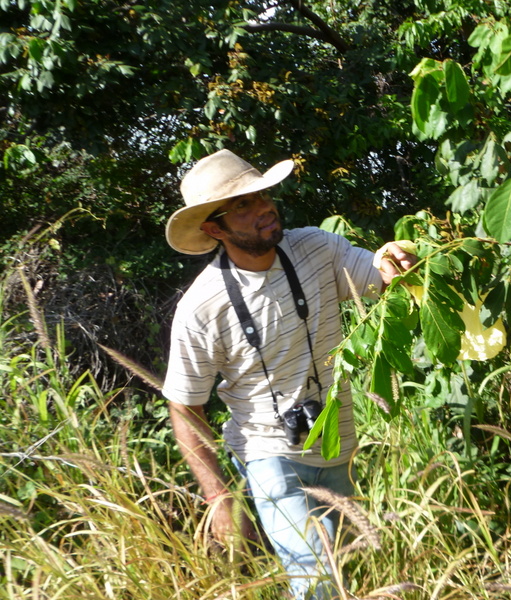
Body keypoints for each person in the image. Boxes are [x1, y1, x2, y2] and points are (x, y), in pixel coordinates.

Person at [161, 149, 415, 599]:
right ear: (213, 228)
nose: (263, 207)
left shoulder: (315, 248)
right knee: (318, 586)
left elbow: (379, 275)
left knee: (352, 572)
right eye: (242, 204)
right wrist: (219, 499)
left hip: (340, 442)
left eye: (262, 195)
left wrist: (398, 256)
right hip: (270, 454)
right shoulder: (202, 308)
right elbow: (184, 405)